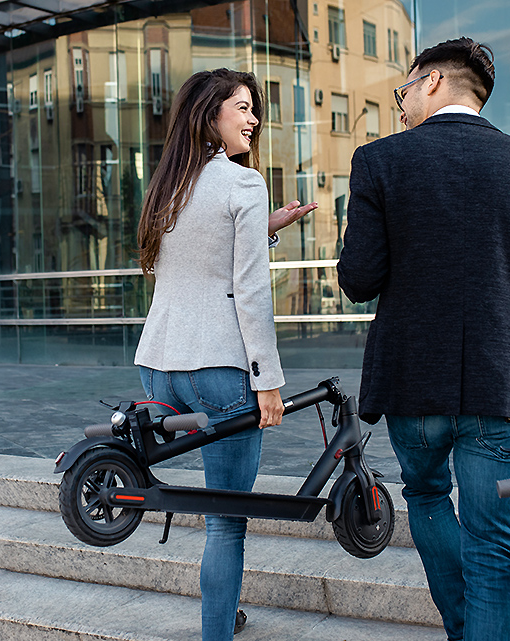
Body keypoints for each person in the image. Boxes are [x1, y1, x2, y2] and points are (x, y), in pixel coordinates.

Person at [336, 37, 510, 641]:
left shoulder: (379, 161)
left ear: (435, 81)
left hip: (414, 384)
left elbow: (359, 281)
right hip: (505, 387)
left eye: (405, 90)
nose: (401, 104)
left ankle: (466, 628)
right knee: (495, 549)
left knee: (424, 494)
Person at [133, 68, 317, 641]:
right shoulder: (242, 182)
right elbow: (250, 291)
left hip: (159, 367)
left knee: (210, 507)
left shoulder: (168, 184)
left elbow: (196, 253)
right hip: (221, 369)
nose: (253, 119)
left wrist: (265, 227)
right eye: (242, 108)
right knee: (227, 521)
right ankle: (217, 630)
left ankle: (224, 605)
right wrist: (268, 379)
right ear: (210, 115)